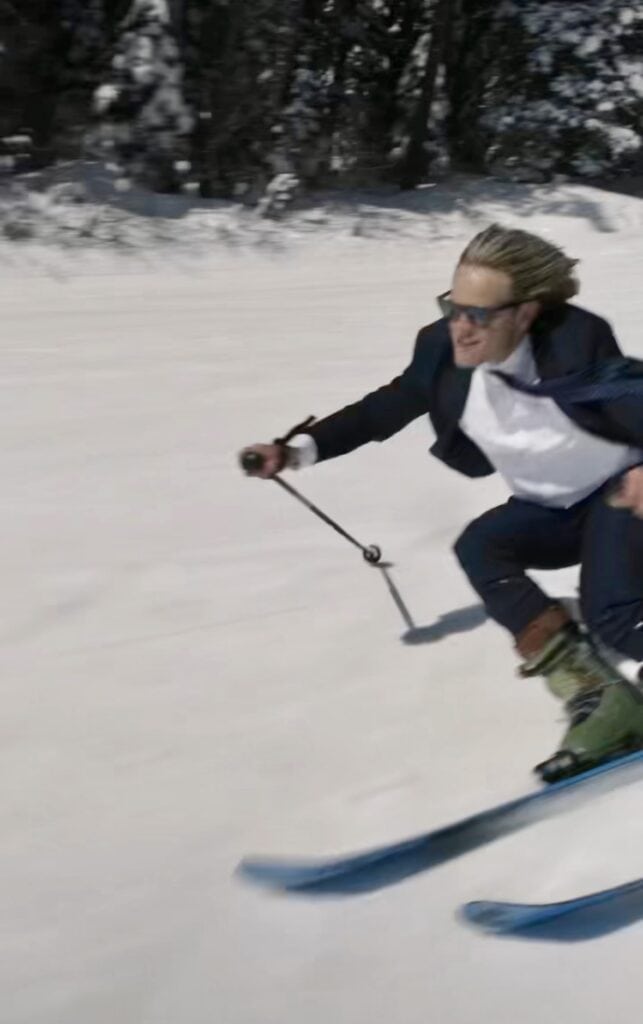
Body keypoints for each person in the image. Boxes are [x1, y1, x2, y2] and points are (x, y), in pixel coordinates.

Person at [240, 224, 643, 782]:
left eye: (478, 314)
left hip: (621, 494)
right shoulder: (442, 355)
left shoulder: (575, 344)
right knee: (481, 546)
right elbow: (383, 409)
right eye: (452, 308)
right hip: (551, 510)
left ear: (525, 314)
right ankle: (599, 697)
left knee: (613, 613)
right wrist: (296, 450)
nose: (461, 327)